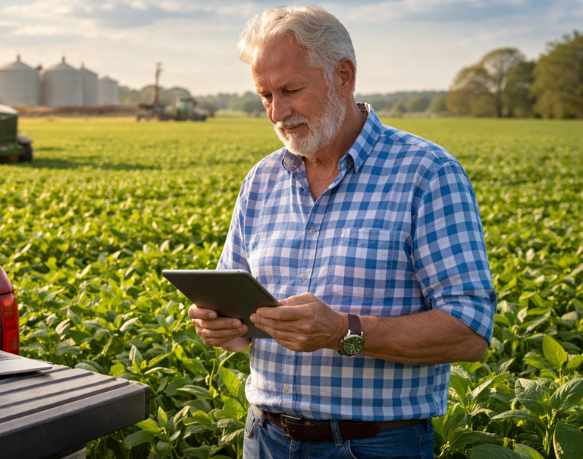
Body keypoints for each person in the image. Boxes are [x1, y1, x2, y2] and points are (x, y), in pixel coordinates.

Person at [187, 4, 496, 458]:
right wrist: (220, 327)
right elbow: (237, 317)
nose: (278, 112)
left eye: (291, 90)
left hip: (376, 444)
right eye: (265, 96)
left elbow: (469, 331)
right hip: (265, 438)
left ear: (344, 76)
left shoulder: (426, 173)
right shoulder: (262, 179)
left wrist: (342, 331)